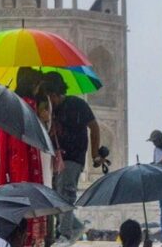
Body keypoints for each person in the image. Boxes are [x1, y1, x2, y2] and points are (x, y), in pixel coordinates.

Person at [43, 79, 101, 243]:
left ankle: (64, 235)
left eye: (48, 96)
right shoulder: (50, 110)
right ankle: (75, 227)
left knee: (66, 194)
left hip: (73, 158)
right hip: (55, 159)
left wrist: (95, 154)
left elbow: (94, 127)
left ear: (54, 94)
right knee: (53, 197)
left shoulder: (77, 104)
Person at [0, 69, 46, 247]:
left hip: (14, 162)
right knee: (30, 204)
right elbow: (39, 137)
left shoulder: (9, 104)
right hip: (27, 162)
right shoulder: (29, 105)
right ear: (32, 84)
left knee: (16, 205)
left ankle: (17, 238)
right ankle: (28, 240)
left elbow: (3, 140)